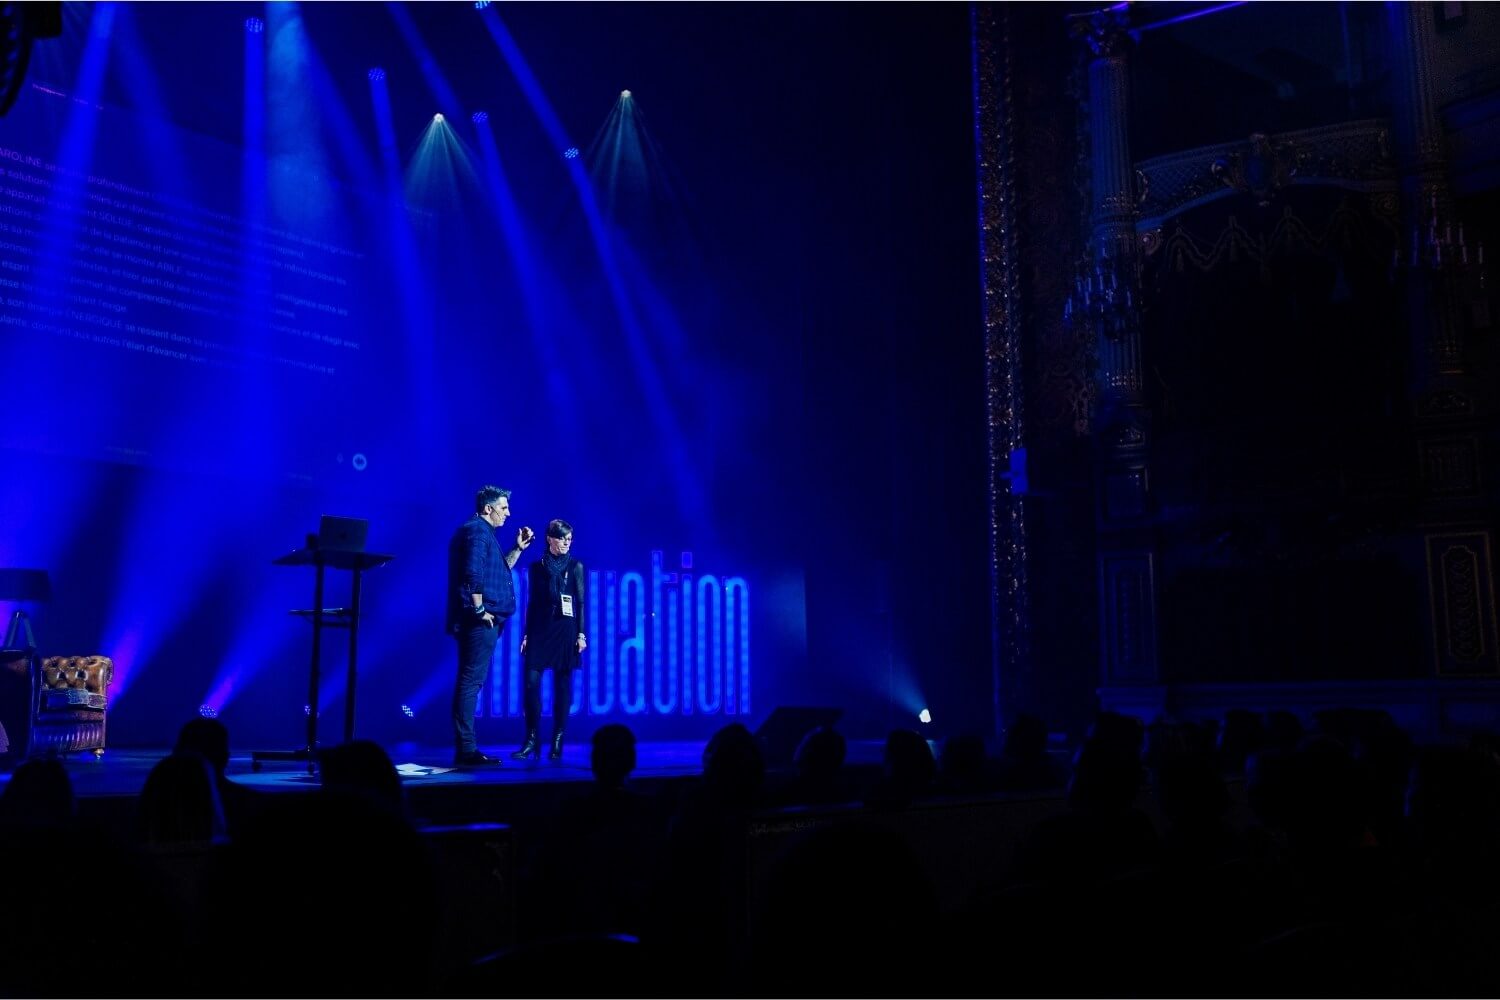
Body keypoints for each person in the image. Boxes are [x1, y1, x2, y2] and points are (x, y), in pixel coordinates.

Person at [448, 484, 533, 767]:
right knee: (470, 681)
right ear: (488, 508)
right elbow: (471, 575)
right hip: (479, 621)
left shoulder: (484, 535)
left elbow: (498, 570)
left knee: (472, 680)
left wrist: (517, 549)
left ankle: (467, 747)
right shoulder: (477, 532)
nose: (508, 514)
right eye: (504, 508)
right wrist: (480, 609)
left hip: (485, 620)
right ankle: (467, 749)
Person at [512, 519, 587, 761]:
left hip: (566, 629)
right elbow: (532, 602)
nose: (566, 542)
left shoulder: (576, 567)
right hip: (541, 630)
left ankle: (557, 739)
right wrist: (526, 633)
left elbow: (581, 603)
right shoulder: (537, 567)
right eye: (562, 537)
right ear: (549, 539)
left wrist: (581, 633)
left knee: (562, 686)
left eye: (569, 538)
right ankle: (532, 738)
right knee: (531, 684)